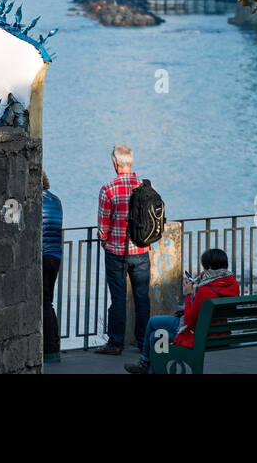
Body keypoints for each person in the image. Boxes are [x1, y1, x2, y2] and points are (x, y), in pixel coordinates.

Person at [125, 248, 239, 374]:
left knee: (154, 327)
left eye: (205, 268)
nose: (203, 270)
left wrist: (188, 294)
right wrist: (203, 277)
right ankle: (148, 367)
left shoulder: (205, 291)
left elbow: (189, 320)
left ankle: (145, 364)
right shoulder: (233, 283)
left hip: (199, 335)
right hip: (219, 333)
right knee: (155, 333)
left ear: (210, 268)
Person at [95, 144, 150, 355]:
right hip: (141, 251)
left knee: (118, 298)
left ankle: (115, 343)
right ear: (130, 162)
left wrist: (103, 241)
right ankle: (143, 341)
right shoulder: (145, 186)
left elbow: (103, 225)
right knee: (142, 298)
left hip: (116, 252)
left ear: (115, 163)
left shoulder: (108, 189)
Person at [41, 171, 63, 364]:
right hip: (55, 255)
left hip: (41, 255)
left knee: (44, 302)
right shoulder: (56, 200)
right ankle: (54, 348)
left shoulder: (33, 200)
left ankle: (49, 349)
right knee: (48, 301)